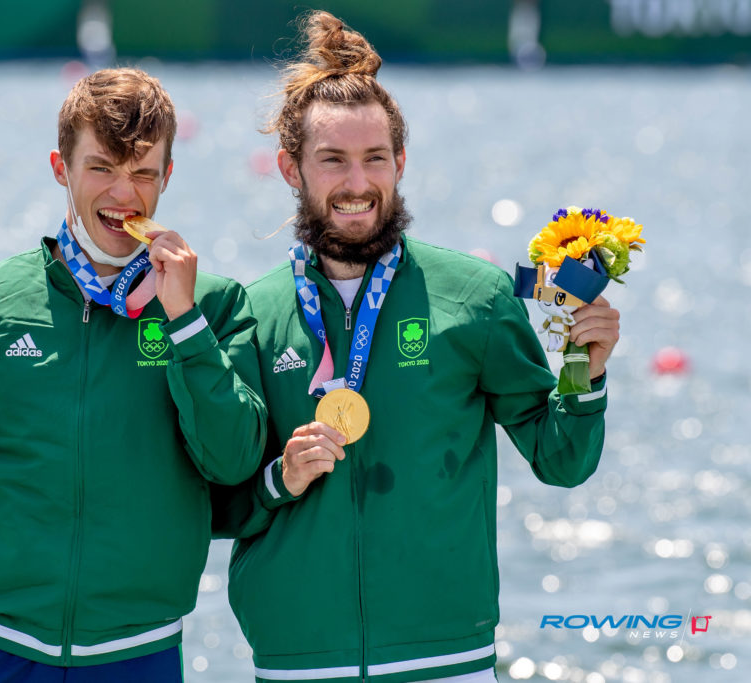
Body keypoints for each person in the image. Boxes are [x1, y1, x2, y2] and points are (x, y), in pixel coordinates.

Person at [215, 12, 620, 683]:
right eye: (333, 160)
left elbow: (563, 460)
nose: (357, 183)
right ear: (290, 168)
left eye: (375, 158)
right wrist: (278, 478)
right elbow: (213, 502)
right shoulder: (249, 315)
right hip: (299, 664)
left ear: (400, 163)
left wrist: (584, 370)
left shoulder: (476, 296)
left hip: (447, 661)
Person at [0, 67, 266, 682]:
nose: (124, 194)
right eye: (101, 167)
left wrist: (184, 321)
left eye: (143, 173)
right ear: (61, 167)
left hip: (137, 651)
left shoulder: (214, 305)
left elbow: (234, 460)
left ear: (168, 175)